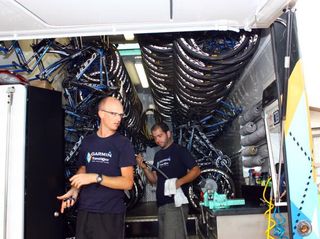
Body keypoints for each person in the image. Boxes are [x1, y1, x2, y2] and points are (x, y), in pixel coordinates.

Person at [57, 96, 135, 239]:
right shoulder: (88, 142)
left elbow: (128, 182)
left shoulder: (123, 144)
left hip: (109, 214)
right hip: (85, 211)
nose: (118, 118)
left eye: (120, 114)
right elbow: (83, 168)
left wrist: (95, 178)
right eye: (114, 114)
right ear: (101, 114)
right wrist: (75, 189)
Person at [136, 122, 201, 239]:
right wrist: (144, 167)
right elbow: (154, 180)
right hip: (161, 206)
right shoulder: (158, 155)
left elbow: (196, 170)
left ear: (168, 134)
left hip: (175, 205)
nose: (157, 140)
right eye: (155, 137)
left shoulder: (180, 151)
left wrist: (179, 182)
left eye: (160, 136)